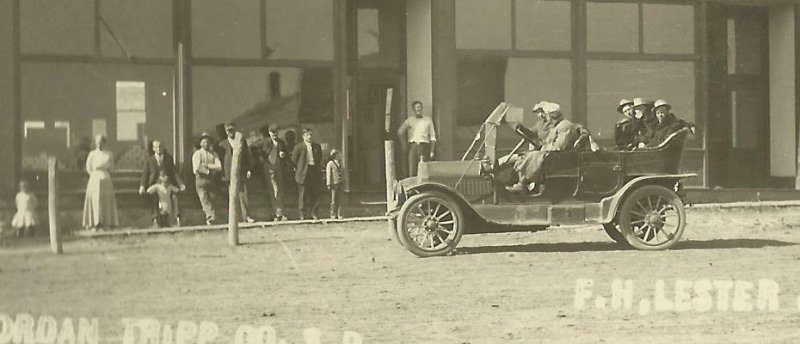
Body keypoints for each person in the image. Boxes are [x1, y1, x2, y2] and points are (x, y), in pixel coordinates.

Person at [506, 103, 580, 194]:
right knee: (525, 154)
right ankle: (520, 184)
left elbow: (559, 146)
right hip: (552, 155)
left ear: (551, 116)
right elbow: (544, 140)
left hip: (559, 158)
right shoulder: (556, 126)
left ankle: (522, 184)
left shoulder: (565, 126)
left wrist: (542, 147)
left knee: (533, 155)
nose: (544, 117)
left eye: (546, 114)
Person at [139, 140, 186, 228]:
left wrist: (181, 184)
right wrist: (142, 186)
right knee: (154, 197)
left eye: (160, 146)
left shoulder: (168, 159)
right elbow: (145, 174)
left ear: (163, 147)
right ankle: (156, 220)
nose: (159, 148)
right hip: (154, 185)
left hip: (167, 185)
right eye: (156, 147)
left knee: (174, 197)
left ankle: (175, 219)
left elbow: (174, 172)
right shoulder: (150, 160)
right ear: (153, 149)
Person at [218, 122, 255, 223]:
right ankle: (233, 218)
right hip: (228, 173)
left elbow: (248, 156)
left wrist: (248, 169)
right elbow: (219, 160)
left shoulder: (241, 141)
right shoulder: (222, 145)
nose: (231, 132)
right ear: (226, 132)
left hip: (241, 172)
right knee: (231, 195)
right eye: (228, 131)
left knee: (243, 195)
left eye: (232, 130)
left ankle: (246, 216)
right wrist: (222, 174)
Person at [251, 124, 288, 221]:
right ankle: (278, 214)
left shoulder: (281, 143)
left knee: (280, 190)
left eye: (276, 132)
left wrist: (283, 154)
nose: (274, 134)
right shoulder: (265, 141)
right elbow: (252, 147)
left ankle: (278, 213)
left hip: (279, 167)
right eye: (272, 132)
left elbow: (286, 154)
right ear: (269, 133)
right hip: (269, 167)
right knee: (274, 190)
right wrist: (260, 157)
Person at [82, 135, 119, 231]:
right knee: (95, 200)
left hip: (106, 179)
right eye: (97, 142)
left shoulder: (109, 154)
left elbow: (111, 167)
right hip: (94, 179)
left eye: (101, 142)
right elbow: (88, 168)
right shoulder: (92, 154)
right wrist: (95, 174)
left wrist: (104, 173)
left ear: (104, 143)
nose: (99, 144)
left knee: (105, 201)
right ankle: (94, 223)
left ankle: (106, 223)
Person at [397, 100, 437, 177]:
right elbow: (400, 132)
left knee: (423, 171)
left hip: (424, 147)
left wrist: (432, 151)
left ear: (422, 108)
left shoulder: (428, 120)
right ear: (413, 109)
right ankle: (412, 189)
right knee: (412, 171)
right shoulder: (410, 120)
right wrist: (404, 145)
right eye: (416, 108)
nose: (418, 109)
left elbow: (432, 137)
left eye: (419, 107)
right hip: (413, 147)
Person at [291, 128, 323, 220]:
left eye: (311, 135)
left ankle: (314, 213)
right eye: (307, 135)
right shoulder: (299, 147)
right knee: (303, 194)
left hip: (313, 171)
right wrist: (299, 169)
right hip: (303, 172)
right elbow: (293, 160)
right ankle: (302, 214)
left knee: (315, 193)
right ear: (303, 136)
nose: (309, 137)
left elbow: (319, 158)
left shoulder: (317, 146)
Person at [193, 132, 223, 225]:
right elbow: (197, 167)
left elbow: (219, 166)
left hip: (211, 180)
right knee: (204, 198)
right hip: (201, 180)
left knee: (213, 198)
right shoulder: (197, 154)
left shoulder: (213, 154)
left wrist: (207, 165)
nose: (206, 144)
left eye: (207, 142)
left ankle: (213, 216)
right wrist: (209, 171)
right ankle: (210, 218)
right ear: (200, 143)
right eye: (204, 142)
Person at [326, 149, 344, 219]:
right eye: (337, 154)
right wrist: (328, 183)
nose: (339, 156)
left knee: (340, 199)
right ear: (334, 156)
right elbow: (328, 174)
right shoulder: (330, 163)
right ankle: (332, 214)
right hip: (334, 183)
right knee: (333, 200)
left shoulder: (340, 163)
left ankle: (339, 214)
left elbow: (342, 173)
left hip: (340, 183)